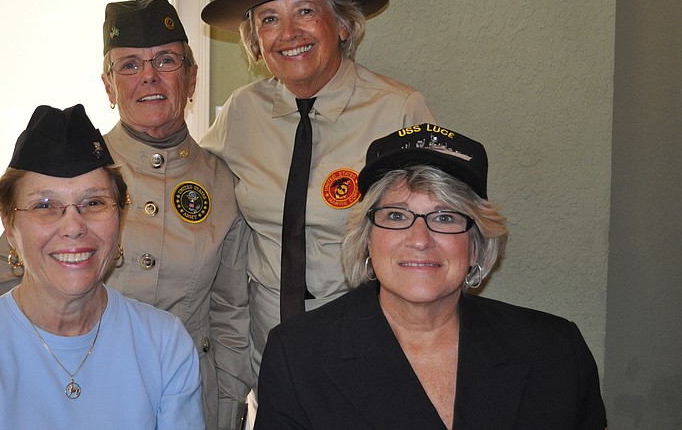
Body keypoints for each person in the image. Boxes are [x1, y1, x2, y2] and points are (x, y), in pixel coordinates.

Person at [0, 0, 251, 430]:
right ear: (108, 85)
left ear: (191, 77)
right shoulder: (73, 171)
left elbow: (232, 319)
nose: (149, 77)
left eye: (166, 60)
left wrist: (225, 416)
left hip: (179, 399)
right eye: (129, 65)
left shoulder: (223, 184)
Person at [254, 123, 608, 429]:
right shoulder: (298, 357)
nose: (420, 240)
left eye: (445, 218)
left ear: (476, 243)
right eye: (395, 216)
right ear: (366, 239)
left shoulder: (556, 351)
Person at [200, 0, 436, 378]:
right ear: (255, 40)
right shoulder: (241, 112)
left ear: (343, 24)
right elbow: (193, 184)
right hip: (265, 347)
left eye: (305, 11)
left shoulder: (398, 110)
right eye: (269, 19)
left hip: (368, 343)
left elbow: (433, 238)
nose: (288, 34)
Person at [0, 104, 204, 428]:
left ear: (120, 217)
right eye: (45, 206)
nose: (73, 226)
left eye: (94, 203)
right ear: (10, 228)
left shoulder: (164, 345)